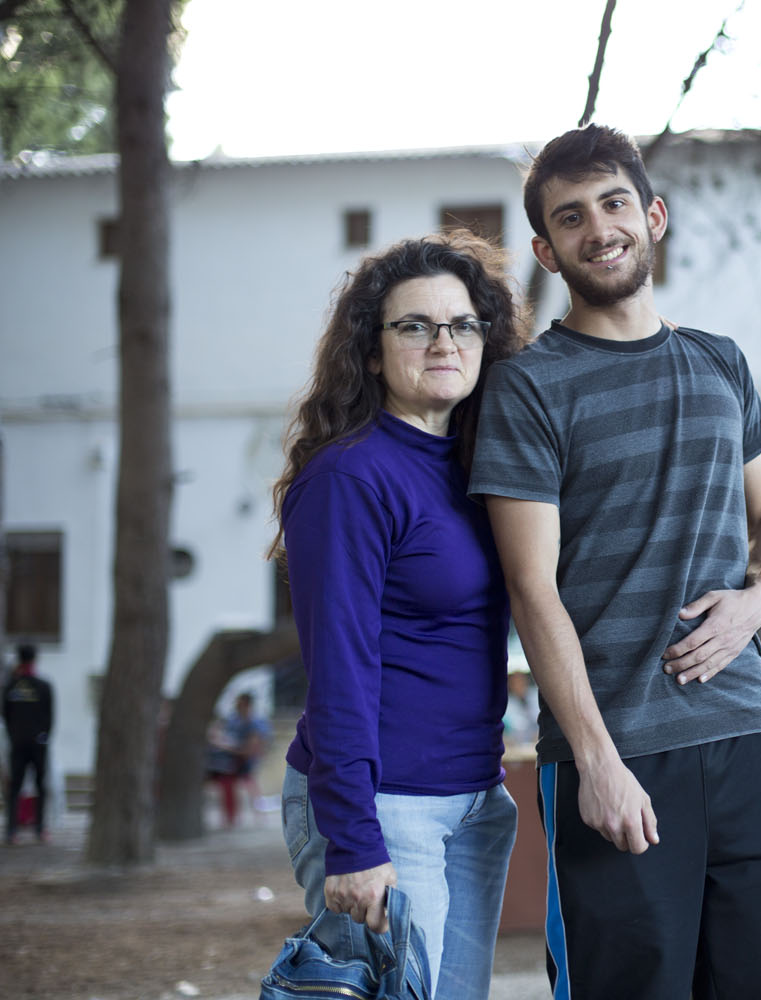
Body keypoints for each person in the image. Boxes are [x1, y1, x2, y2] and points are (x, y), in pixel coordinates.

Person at [470, 124, 761, 999]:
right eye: (572, 217)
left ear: (654, 215)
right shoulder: (528, 386)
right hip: (618, 751)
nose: (600, 228)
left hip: (752, 734)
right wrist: (595, 760)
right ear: (547, 252)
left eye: (615, 203)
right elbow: (531, 586)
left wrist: (758, 601)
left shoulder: (719, 363)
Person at [269, 230, 529, 1000]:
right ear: (374, 352)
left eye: (461, 324)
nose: (442, 341)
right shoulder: (351, 477)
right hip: (385, 809)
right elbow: (338, 669)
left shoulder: (482, 470)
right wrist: (353, 838)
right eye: (414, 325)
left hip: (476, 801)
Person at [4, 643, 53, 845]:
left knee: (14, 787)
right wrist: (43, 736)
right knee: (41, 785)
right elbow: (50, 716)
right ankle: (40, 829)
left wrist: (14, 735)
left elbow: (5, 715)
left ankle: (11, 831)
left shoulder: (10, 687)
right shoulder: (43, 686)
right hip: (38, 743)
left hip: (17, 743)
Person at [206, 691, 271, 827]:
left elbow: (250, 750)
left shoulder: (256, 724)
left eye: (240, 704)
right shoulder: (233, 720)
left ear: (247, 705)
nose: (236, 706)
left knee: (227, 778)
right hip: (228, 760)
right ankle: (230, 817)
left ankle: (232, 818)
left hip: (242, 763)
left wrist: (225, 747)